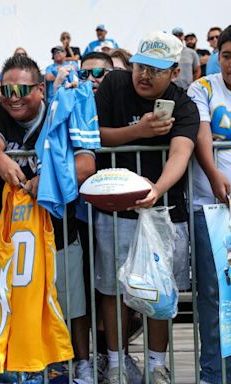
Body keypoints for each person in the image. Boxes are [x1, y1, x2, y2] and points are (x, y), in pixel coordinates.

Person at [94, 31, 199, 384]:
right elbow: (96, 136)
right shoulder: (113, 84)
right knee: (112, 289)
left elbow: (181, 153)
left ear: (173, 72)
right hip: (113, 209)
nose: (144, 75)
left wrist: (157, 189)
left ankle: (156, 365)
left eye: (155, 70)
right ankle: (116, 362)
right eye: (141, 66)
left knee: (160, 292)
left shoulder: (184, 104)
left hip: (164, 213)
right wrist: (138, 131)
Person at [0, 54, 97, 382]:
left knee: (70, 300)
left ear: (40, 88)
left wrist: (46, 179)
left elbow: (86, 166)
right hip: (14, 236)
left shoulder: (60, 111)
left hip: (59, 230)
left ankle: (81, 364)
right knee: (20, 301)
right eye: (6, 90)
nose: (13, 97)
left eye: (22, 88)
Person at [187, 24, 231, 384]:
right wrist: (216, 176)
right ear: (218, 56)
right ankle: (212, 376)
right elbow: (202, 134)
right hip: (210, 209)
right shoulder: (202, 87)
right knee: (214, 298)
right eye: (228, 56)